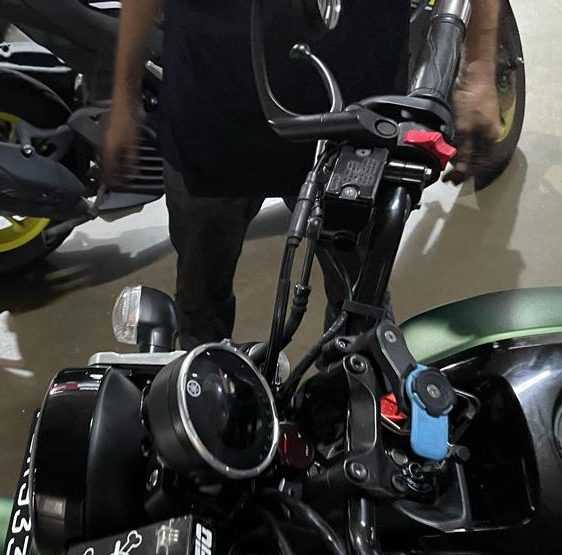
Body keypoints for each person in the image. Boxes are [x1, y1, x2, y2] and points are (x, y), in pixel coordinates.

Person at [103, 0, 502, 349]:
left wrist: (479, 69)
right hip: (211, 114)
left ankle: (353, 394)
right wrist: (123, 94)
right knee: (200, 305)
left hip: (354, 116)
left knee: (360, 308)